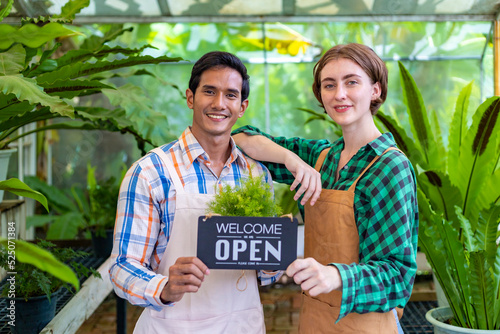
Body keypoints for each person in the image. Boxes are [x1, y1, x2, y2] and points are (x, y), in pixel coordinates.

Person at [233, 43, 418, 333]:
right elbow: (243, 138)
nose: (339, 94)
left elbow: (397, 276)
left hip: (364, 323)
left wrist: (335, 276)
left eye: (352, 82)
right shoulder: (321, 158)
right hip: (314, 318)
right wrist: (291, 160)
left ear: (376, 90)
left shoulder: (389, 168)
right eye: (328, 85)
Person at [109, 51, 282, 333]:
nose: (219, 104)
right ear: (191, 98)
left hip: (242, 325)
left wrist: (276, 261)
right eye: (209, 92)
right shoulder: (151, 172)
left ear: (242, 106)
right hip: (173, 326)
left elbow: (264, 273)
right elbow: (121, 268)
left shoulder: (257, 175)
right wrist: (163, 286)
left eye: (230, 95)